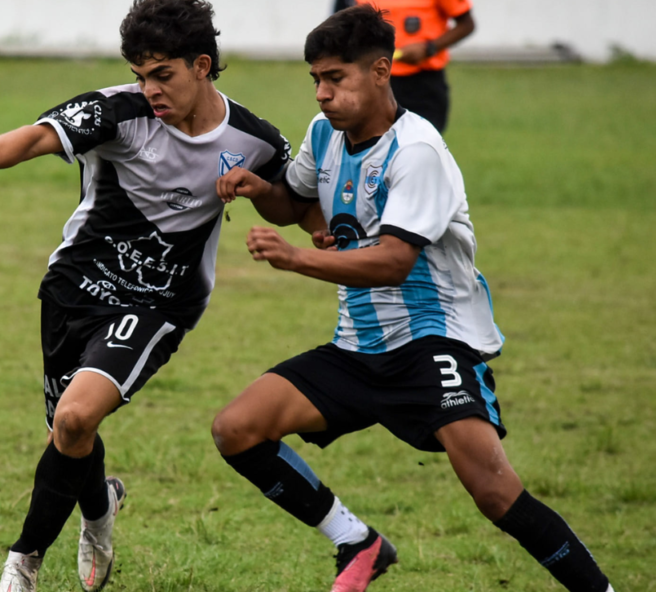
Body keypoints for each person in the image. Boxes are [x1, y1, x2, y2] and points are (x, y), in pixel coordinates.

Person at [212, 6, 614, 592]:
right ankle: (358, 541)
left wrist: (298, 258)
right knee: (236, 428)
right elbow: (295, 202)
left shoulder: (417, 150)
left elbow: (393, 262)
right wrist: (256, 190)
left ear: (380, 71)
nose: (322, 94)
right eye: (315, 80)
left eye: (335, 79)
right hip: (358, 347)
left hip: (433, 341)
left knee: (496, 492)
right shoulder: (324, 134)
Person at [0, 1, 290, 591]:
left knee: (74, 416)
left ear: (202, 66)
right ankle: (100, 510)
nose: (148, 89)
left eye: (162, 75)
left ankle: (21, 565)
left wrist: (256, 192)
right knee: (70, 434)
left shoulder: (254, 139)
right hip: (72, 290)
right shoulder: (116, 110)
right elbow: (35, 137)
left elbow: (294, 204)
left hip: (158, 305)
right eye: (139, 75)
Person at [339, 0, 475, 132]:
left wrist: (429, 48)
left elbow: (467, 24)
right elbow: (340, 30)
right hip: (373, 83)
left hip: (423, 86)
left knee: (421, 147)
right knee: (376, 149)